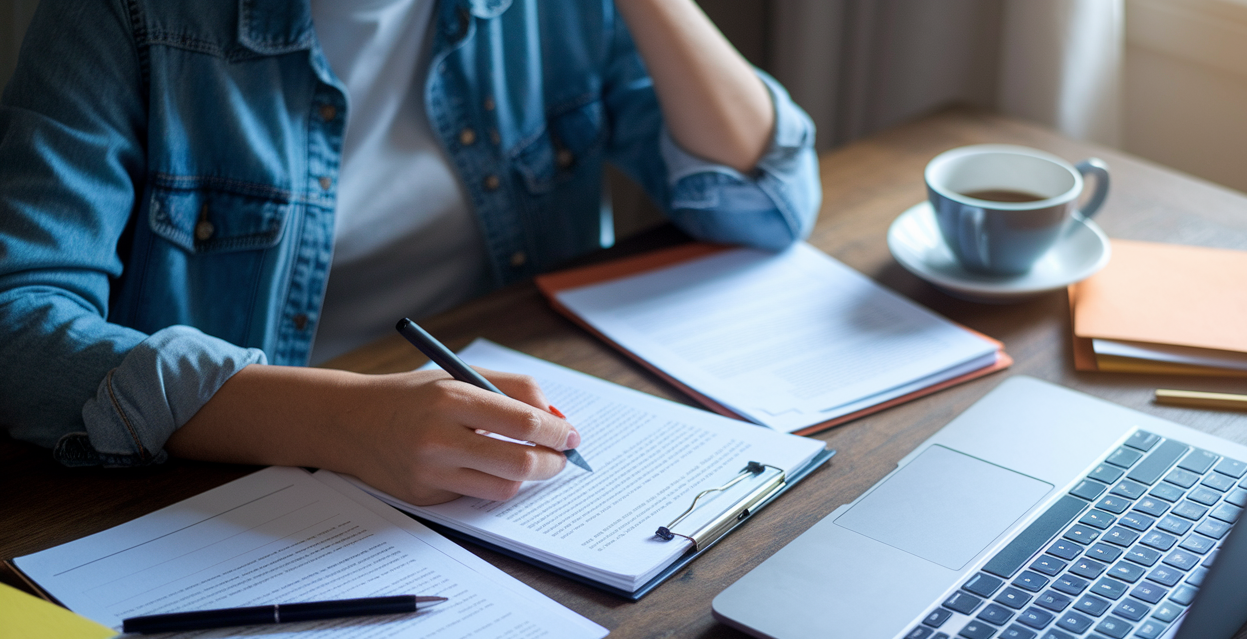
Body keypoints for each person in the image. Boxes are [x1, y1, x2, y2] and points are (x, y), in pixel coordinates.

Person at [0, 0, 820, 506]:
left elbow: (764, 205)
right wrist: (343, 422)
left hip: (493, 462)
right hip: (238, 481)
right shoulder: (127, 14)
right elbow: (19, 326)